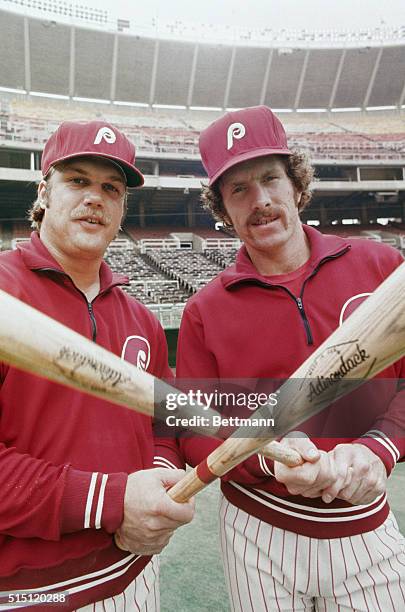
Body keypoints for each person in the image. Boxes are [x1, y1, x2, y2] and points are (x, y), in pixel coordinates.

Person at [175, 106, 405, 610]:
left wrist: (379, 448)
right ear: (223, 207)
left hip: (365, 522)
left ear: (296, 185)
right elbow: (193, 429)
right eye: (238, 189)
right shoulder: (203, 311)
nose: (259, 200)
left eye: (270, 179)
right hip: (258, 530)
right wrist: (266, 454)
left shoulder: (383, 266)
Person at [0, 120, 194, 611]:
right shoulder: (5, 293)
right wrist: (111, 501)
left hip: (132, 574)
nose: (95, 198)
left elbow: (163, 425)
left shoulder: (142, 320)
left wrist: (159, 478)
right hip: (25, 591)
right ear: (44, 191)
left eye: (111, 188)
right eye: (78, 181)